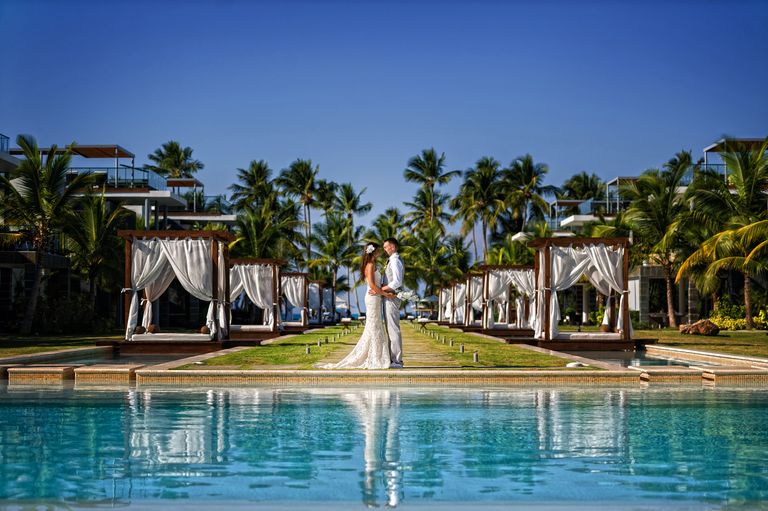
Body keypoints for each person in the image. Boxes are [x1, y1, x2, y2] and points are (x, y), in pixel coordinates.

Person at [320, 243, 394, 369]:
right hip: (372, 298)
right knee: (374, 326)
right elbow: (371, 285)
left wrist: (382, 292)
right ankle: (375, 357)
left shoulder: (373, 264)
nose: (380, 253)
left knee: (375, 325)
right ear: (374, 252)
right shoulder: (370, 265)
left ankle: (376, 355)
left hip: (375, 297)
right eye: (378, 251)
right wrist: (386, 294)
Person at [378, 237, 404, 368]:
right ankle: (393, 358)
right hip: (388, 296)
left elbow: (397, 281)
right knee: (390, 328)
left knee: (393, 328)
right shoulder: (392, 260)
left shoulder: (395, 260)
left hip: (392, 297)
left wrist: (381, 289)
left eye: (386, 247)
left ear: (392, 247)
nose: (384, 249)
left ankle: (397, 360)